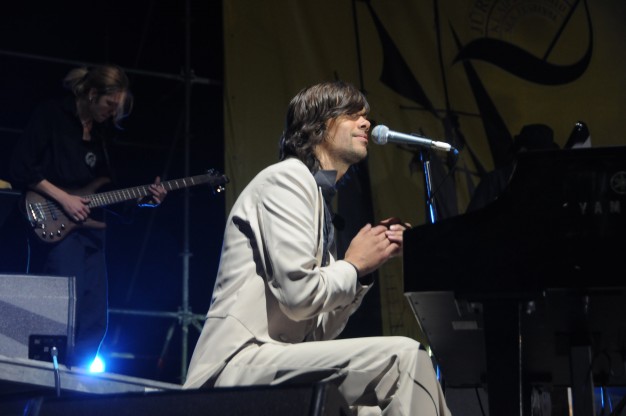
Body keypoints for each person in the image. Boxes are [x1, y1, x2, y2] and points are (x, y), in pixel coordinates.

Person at [183, 81, 451, 415]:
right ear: (319, 125)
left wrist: (362, 271)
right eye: (352, 115)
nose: (366, 123)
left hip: (276, 360)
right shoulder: (287, 179)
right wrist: (353, 265)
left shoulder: (319, 204)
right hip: (235, 363)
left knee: (375, 409)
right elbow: (299, 297)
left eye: (366, 116)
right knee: (404, 358)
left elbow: (317, 331)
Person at [10, 64, 167, 369]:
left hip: (92, 231)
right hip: (56, 226)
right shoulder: (52, 115)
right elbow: (21, 167)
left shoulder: (102, 135)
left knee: (94, 316)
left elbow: (108, 189)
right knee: (62, 310)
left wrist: (144, 200)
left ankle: (78, 380)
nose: (112, 112)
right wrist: (64, 199)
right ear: (93, 94)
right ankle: (47, 377)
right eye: (110, 104)